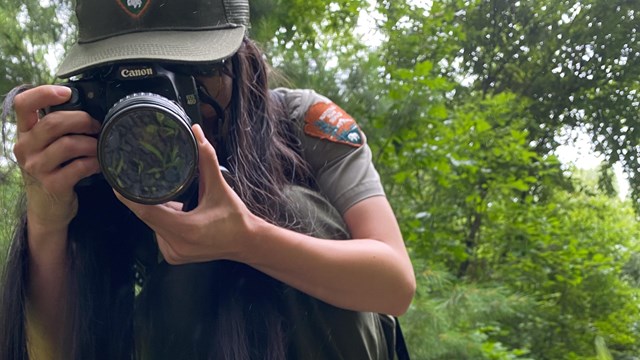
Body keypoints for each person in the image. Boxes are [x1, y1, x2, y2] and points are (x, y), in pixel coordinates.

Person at [0, 0, 416, 359]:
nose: (163, 98)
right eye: (125, 75)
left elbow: (394, 285)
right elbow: (59, 349)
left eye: (190, 71)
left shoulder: (300, 124)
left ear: (242, 59)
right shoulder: (91, 147)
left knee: (297, 211)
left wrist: (248, 240)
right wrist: (47, 216)